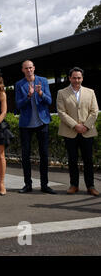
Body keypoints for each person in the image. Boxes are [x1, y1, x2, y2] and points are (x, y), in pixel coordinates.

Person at [15, 60, 56, 194]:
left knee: (44, 155)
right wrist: (29, 95)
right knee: (25, 155)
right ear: (22, 70)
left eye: (30, 68)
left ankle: (45, 185)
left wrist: (40, 94)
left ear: (34, 68)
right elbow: (18, 105)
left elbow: (49, 101)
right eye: (26, 68)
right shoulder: (19, 84)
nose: (29, 70)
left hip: (42, 122)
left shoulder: (43, 81)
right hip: (26, 124)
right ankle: (28, 185)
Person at [56, 67, 99, 196]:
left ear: (82, 78)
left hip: (87, 131)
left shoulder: (90, 92)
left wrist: (85, 126)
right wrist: (75, 126)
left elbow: (94, 111)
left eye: (79, 78)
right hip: (70, 132)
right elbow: (61, 112)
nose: (77, 80)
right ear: (69, 78)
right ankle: (74, 185)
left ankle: (90, 186)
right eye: (74, 78)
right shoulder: (61, 93)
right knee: (72, 160)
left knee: (88, 161)